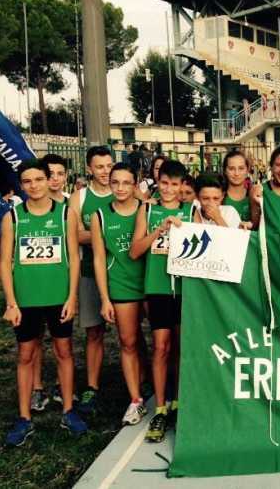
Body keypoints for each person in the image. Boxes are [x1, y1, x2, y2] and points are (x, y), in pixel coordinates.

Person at [2, 159, 87, 446]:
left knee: (64, 351)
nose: (34, 185)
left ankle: (68, 410)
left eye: (39, 179)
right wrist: (11, 302)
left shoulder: (65, 214)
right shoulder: (13, 217)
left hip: (58, 297)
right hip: (26, 300)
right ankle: (24, 418)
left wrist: (72, 297)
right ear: (21, 185)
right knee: (26, 355)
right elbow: (4, 262)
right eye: (27, 181)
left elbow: (74, 258)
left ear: (47, 180)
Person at [130, 160, 196, 443]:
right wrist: (159, 231)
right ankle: (160, 408)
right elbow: (134, 251)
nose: (168, 189)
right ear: (158, 182)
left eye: (174, 184)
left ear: (182, 186)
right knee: (161, 347)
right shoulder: (146, 210)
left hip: (184, 290)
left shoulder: (191, 211)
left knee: (181, 348)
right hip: (157, 288)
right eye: (164, 183)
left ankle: (179, 403)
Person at [91, 163, 147, 426]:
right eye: (116, 182)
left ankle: (166, 389)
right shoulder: (100, 216)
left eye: (126, 182)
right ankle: (135, 400)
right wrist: (105, 298)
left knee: (164, 343)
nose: (121, 188)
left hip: (152, 283)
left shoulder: (148, 208)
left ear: (135, 184)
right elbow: (99, 259)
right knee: (128, 342)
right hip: (121, 286)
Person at [69, 145, 114, 415]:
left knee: (131, 333)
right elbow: (74, 234)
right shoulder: (81, 197)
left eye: (109, 166)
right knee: (94, 331)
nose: (106, 172)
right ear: (89, 169)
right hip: (88, 271)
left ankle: (142, 382)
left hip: (122, 272)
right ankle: (92, 386)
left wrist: (93, 233)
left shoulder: (126, 189)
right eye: (100, 167)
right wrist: (109, 232)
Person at [30, 153, 71, 411]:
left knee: (63, 341)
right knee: (33, 339)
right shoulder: (27, 206)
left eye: (59, 173)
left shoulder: (70, 206)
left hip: (62, 282)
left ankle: (60, 385)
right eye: (50, 174)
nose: (54, 179)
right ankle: (36, 388)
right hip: (33, 285)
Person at [222, 150, 252, 223]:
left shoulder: (254, 195)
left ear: (247, 170)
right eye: (231, 169)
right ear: (225, 171)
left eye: (241, 168)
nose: (236, 173)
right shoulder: (217, 197)